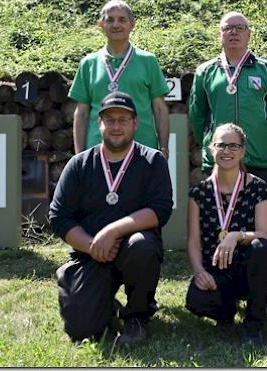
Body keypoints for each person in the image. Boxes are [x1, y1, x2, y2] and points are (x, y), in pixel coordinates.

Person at [49, 91, 173, 345]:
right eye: (110, 120)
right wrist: (92, 246)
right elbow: (58, 217)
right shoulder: (79, 164)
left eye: (123, 119)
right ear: (99, 123)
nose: (116, 126)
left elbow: (161, 209)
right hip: (90, 253)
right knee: (82, 329)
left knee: (143, 246)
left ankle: (137, 317)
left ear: (135, 123)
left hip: (132, 249)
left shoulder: (152, 161)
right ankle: (90, 291)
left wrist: (112, 231)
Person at [185, 123, 267, 346]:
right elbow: (194, 241)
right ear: (210, 149)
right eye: (221, 145)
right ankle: (226, 310)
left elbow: (264, 235)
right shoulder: (198, 193)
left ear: (243, 151)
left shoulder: (258, 187)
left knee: (261, 249)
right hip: (215, 271)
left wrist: (236, 235)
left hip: (247, 268)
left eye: (234, 146)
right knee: (197, 301)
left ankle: (253, 325)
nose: (227, 151)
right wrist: (198, 272)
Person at [188, 11, 267, 199]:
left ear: (248, 34)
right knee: (218, 221)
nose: (234, 32)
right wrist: (208, 143)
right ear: (220, 35)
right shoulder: (205, 71)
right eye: (228, 28)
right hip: (219, 160)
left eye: (240, 28)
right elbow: (196, 113)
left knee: (259, 223)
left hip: (257, 158)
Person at [69, 0, 170, 159]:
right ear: (101, 25)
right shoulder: (88, 64)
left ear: (132, 24)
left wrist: (164, 148)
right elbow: (81, 113)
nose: (116, 25)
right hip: (98, 151)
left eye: (122, 20)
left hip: (143, 150)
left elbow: (159, 109)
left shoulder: (148, 61)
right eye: (110, 20)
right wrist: (79, 155)